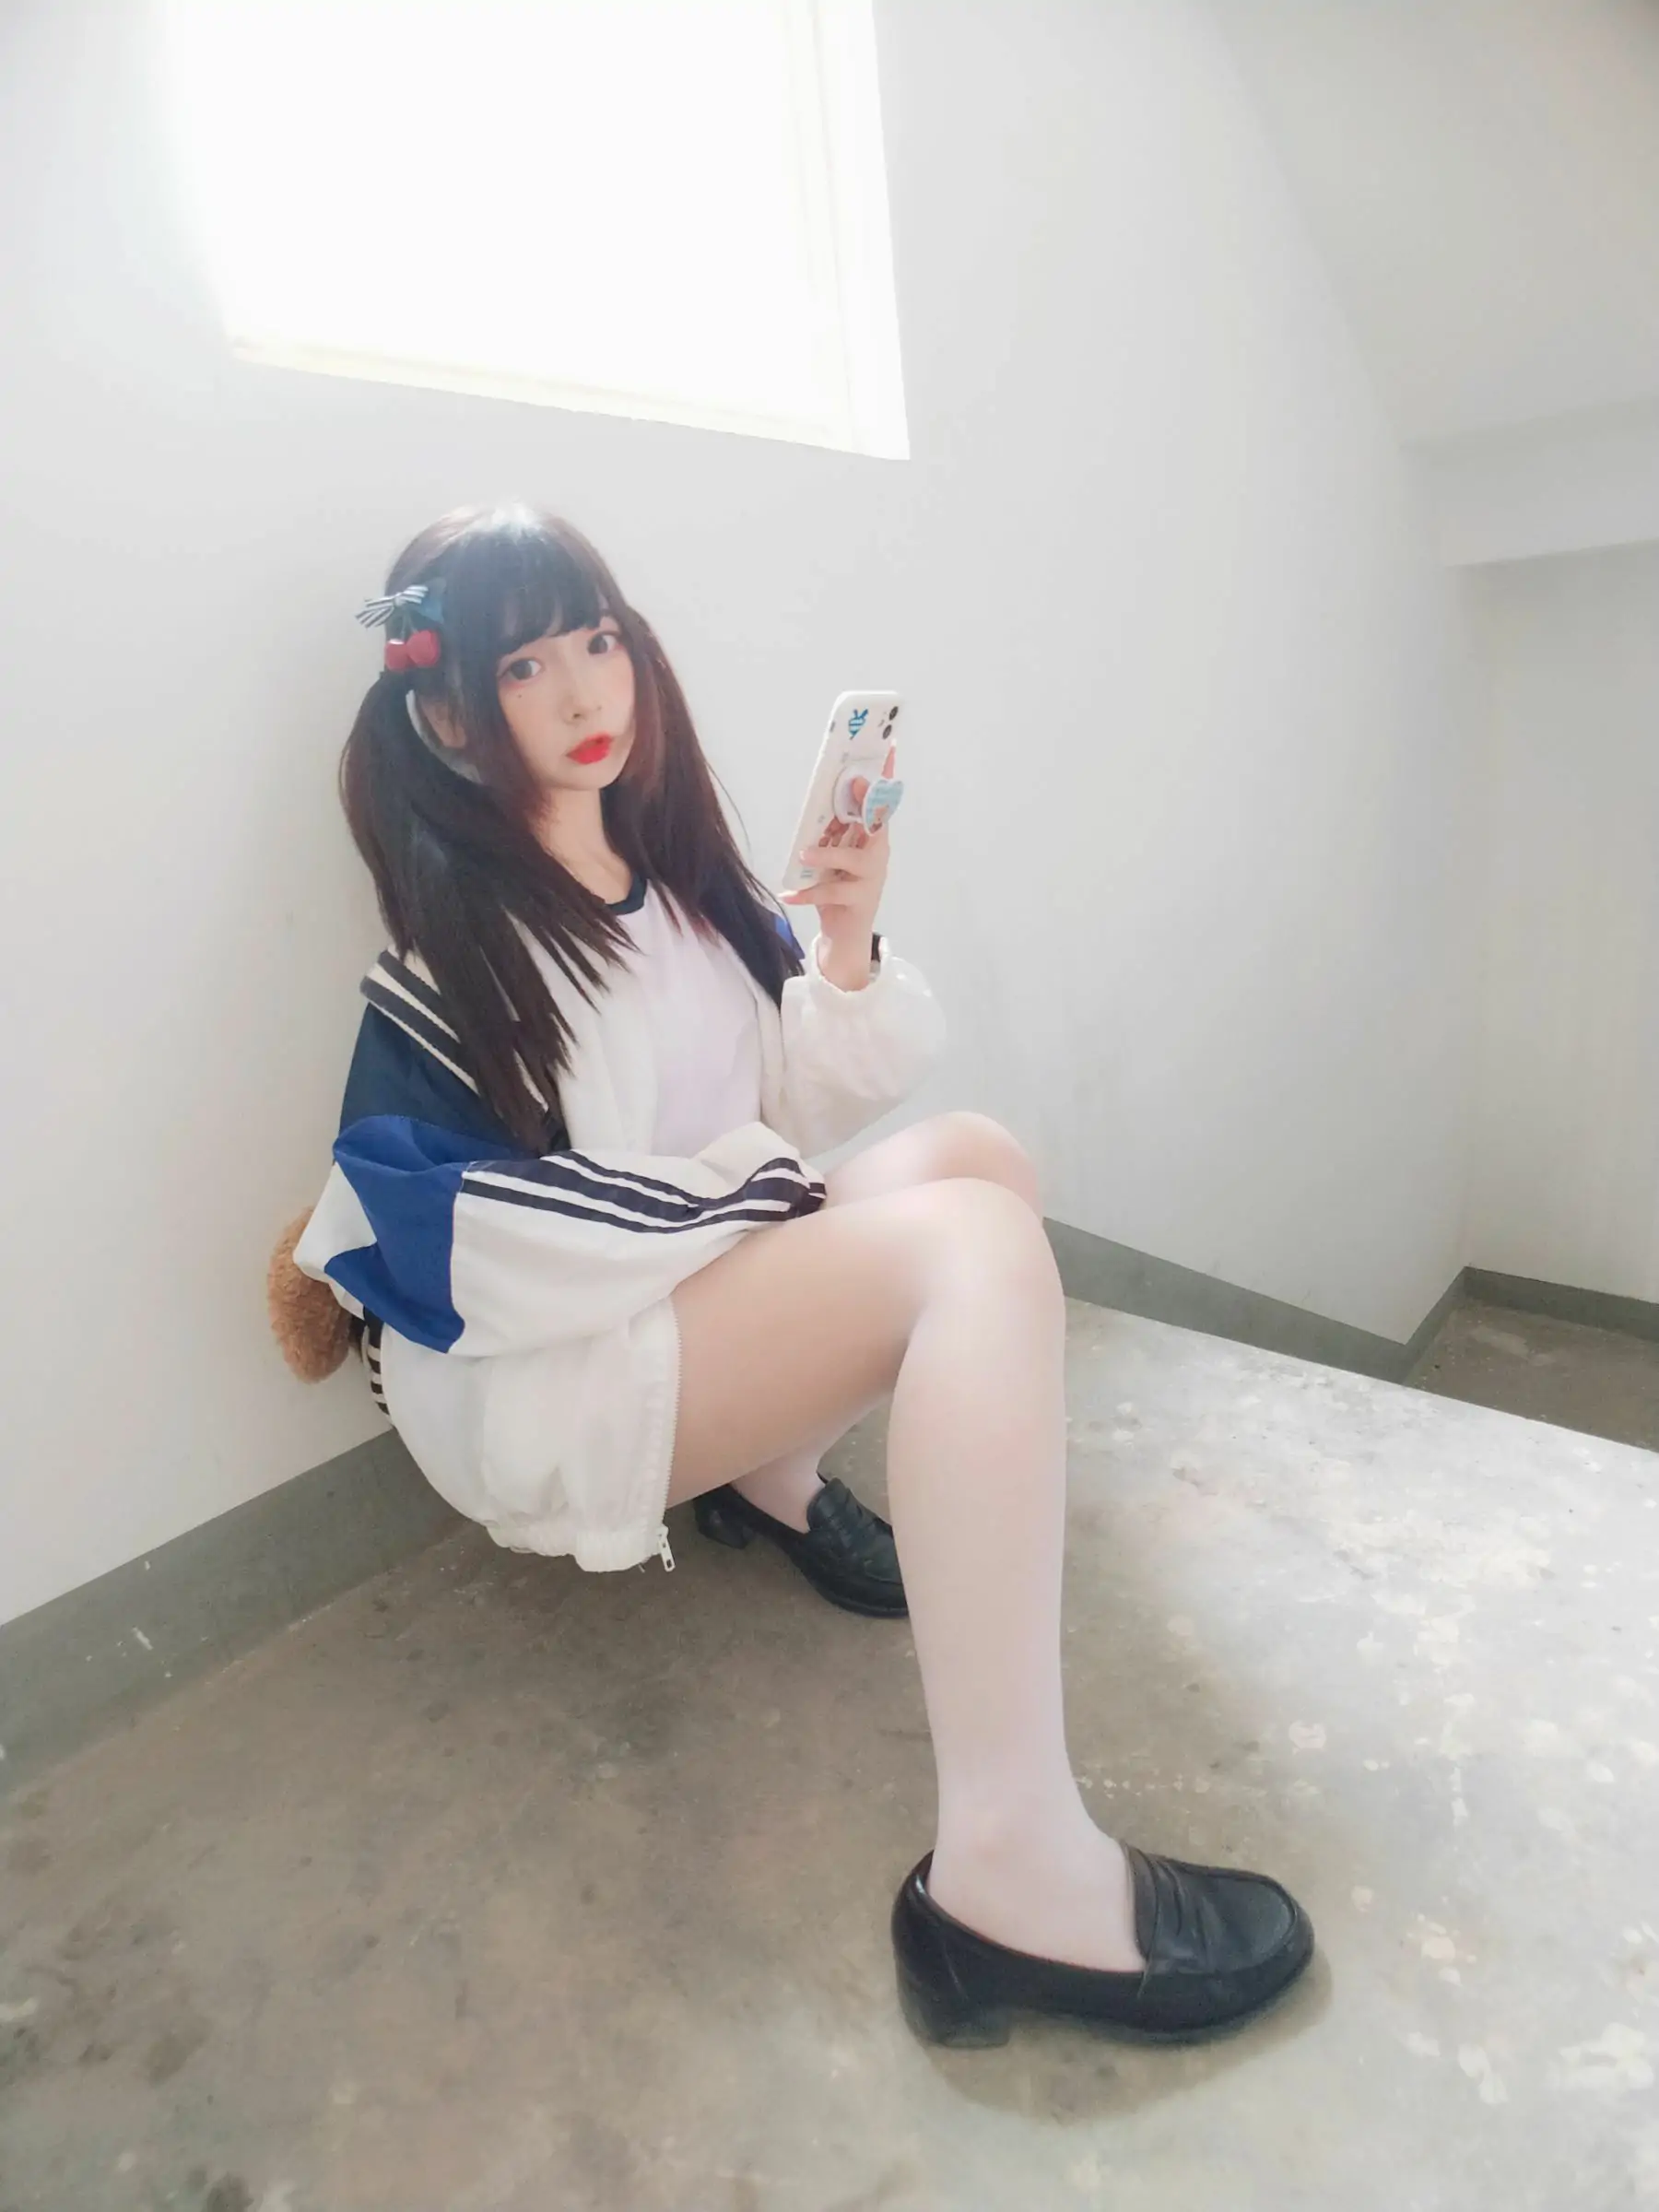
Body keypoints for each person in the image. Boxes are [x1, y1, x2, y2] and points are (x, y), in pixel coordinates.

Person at [295, 503, 1313, 2047]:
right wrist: (748, 1199)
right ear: (445, 716)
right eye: (523, 665)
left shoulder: (675, 886)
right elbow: (442, 1238)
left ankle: (768, 1481)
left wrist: (842, 943)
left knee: (982, 1161)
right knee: (969, 1247)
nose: (585, 692)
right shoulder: (455, 956)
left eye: (596, 640)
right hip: (549, 1376)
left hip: (675, 1295)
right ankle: (1011, 1874)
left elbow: (779, 1101)